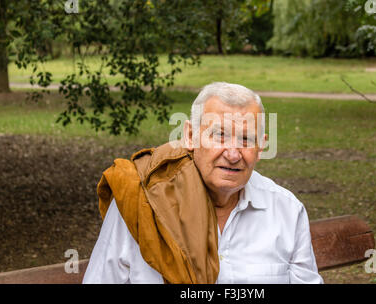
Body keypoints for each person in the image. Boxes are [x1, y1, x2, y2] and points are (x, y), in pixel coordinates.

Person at [83, 82, 323, 284]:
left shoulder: (286, 211)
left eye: (246, 139)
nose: (232, 153)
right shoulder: (142, 201)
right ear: (190, 136)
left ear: (261, 146)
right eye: (219, 135)